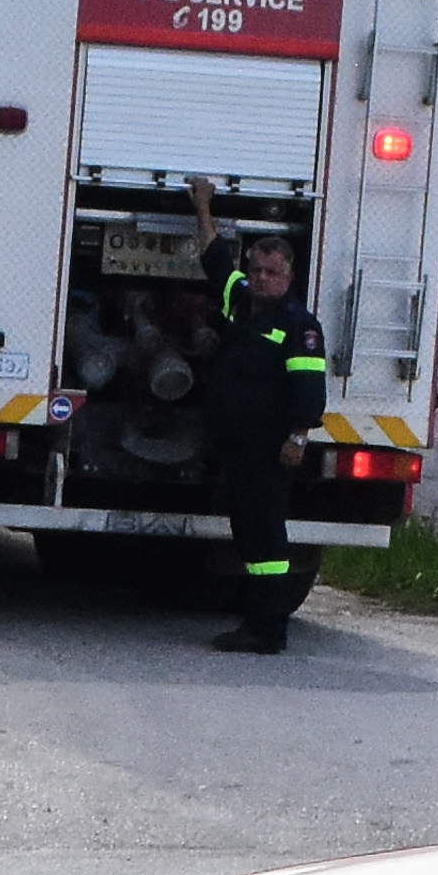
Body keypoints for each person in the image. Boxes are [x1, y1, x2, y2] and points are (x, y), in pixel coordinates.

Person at [186, 174, 335, 655]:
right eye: (258, 270)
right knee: (249, 532)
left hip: (270, 451)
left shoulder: (299, 327)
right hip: (240, 448)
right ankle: (258, 621)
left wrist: (297, 440)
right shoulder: (240, 303)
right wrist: (203, 206)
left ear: (288, 277)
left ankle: (267, 629)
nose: (263, 279)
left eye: (273, 272)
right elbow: (214, 258)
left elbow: (310, 395)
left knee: (265, 537)